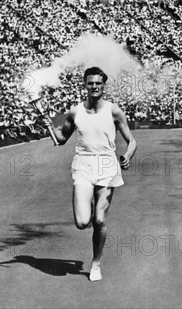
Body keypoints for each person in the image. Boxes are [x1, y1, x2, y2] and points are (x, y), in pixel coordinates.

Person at [46, 67, 137, 282]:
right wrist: (48, 124)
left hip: (107, 166)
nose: (94, 87)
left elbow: (131, 141)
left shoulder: (114, 111)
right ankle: (83, 201)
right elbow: (61, 139)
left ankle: (96, 263)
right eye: (90, 83)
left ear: (103, 85)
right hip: (83, 166)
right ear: (84, 85)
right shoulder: (75, 111)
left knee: (99, 219)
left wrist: (127, 156)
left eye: (98, 83)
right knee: (82, 221)